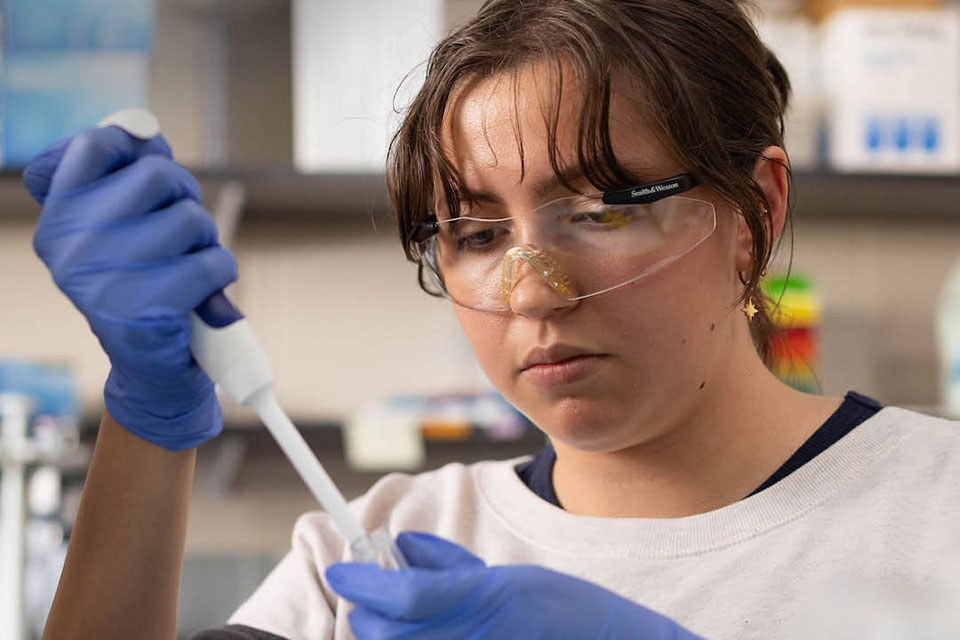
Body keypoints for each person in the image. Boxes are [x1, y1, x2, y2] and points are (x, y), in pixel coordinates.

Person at [23, 0, 960, 638]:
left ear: (755, 212)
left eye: (603, 209)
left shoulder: (936, 511)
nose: (530, 292)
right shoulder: (381, 554)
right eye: (473, 231)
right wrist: (148, 419)